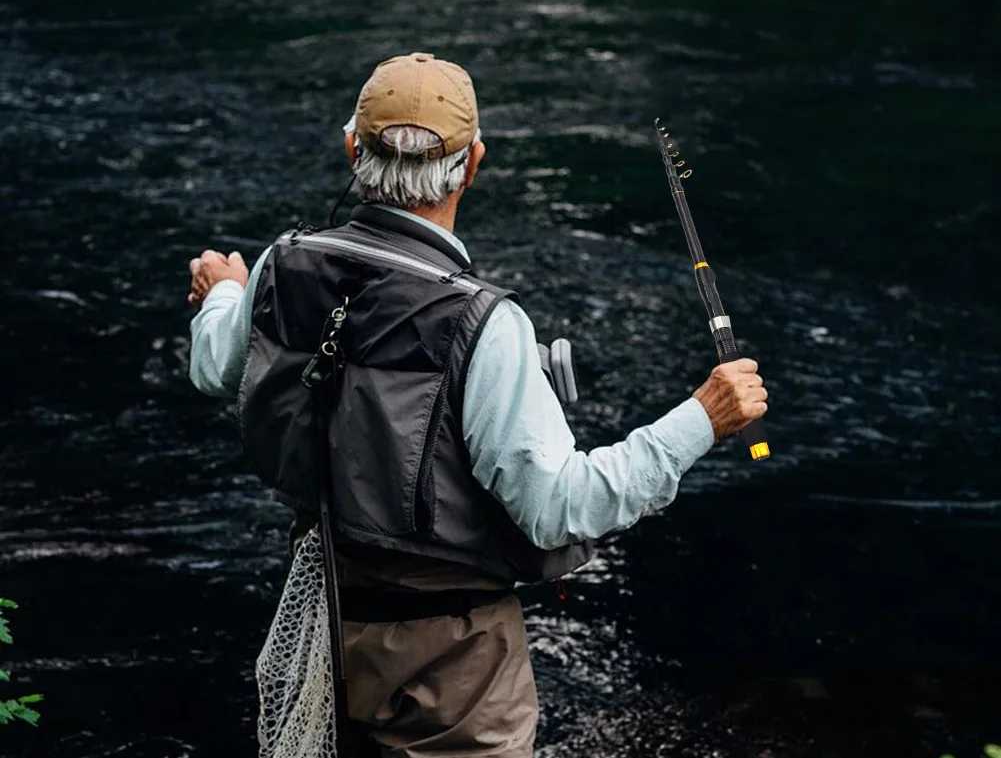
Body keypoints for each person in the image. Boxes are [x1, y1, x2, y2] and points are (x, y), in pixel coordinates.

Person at [186, 51, 768, 758]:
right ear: (473, 165)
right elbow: (559, 509)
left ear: (351, 150)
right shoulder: (484, 324)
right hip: (451, 666)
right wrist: (702, 418)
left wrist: (224, 290)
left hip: (327, 622)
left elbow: (216, 366)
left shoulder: (281, 265)